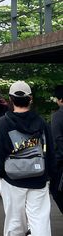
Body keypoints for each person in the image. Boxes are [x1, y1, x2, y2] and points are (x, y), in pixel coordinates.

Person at [0, 80, 56, 236]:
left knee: (15, 217)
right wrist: (50, 174)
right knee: (40, 220)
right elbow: (50, 150)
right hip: (38, 177)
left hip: (12, 178)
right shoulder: (41, 122)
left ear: (11, 99)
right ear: (30, 99)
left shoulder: (3, 123)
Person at [50, 85, 63, 214]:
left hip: (60, 161)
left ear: (60, 100)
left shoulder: (58, 116)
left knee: (56, 190)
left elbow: (57, 139)